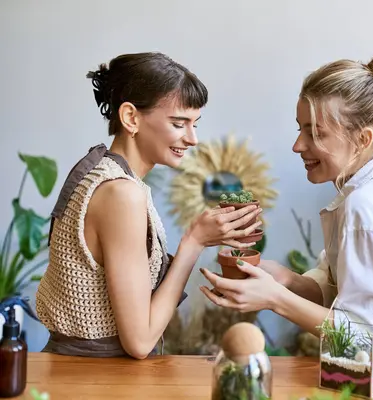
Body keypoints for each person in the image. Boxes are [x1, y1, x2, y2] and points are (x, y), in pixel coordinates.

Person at [200, 54, 373, 357]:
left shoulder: (365, 206)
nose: (298, 145)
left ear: (362, 139)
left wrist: (276, 298)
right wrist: (288, 280)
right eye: (300, 129)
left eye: (316, 133)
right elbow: (353, 295)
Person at [35, 52, 262, 359]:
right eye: (179, 123)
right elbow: (139, 342)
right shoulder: (122, 194)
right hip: (93, 376)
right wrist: (194, 241)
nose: (193, 139)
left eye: (195, 124)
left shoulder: (103, 173)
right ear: (131, 118)